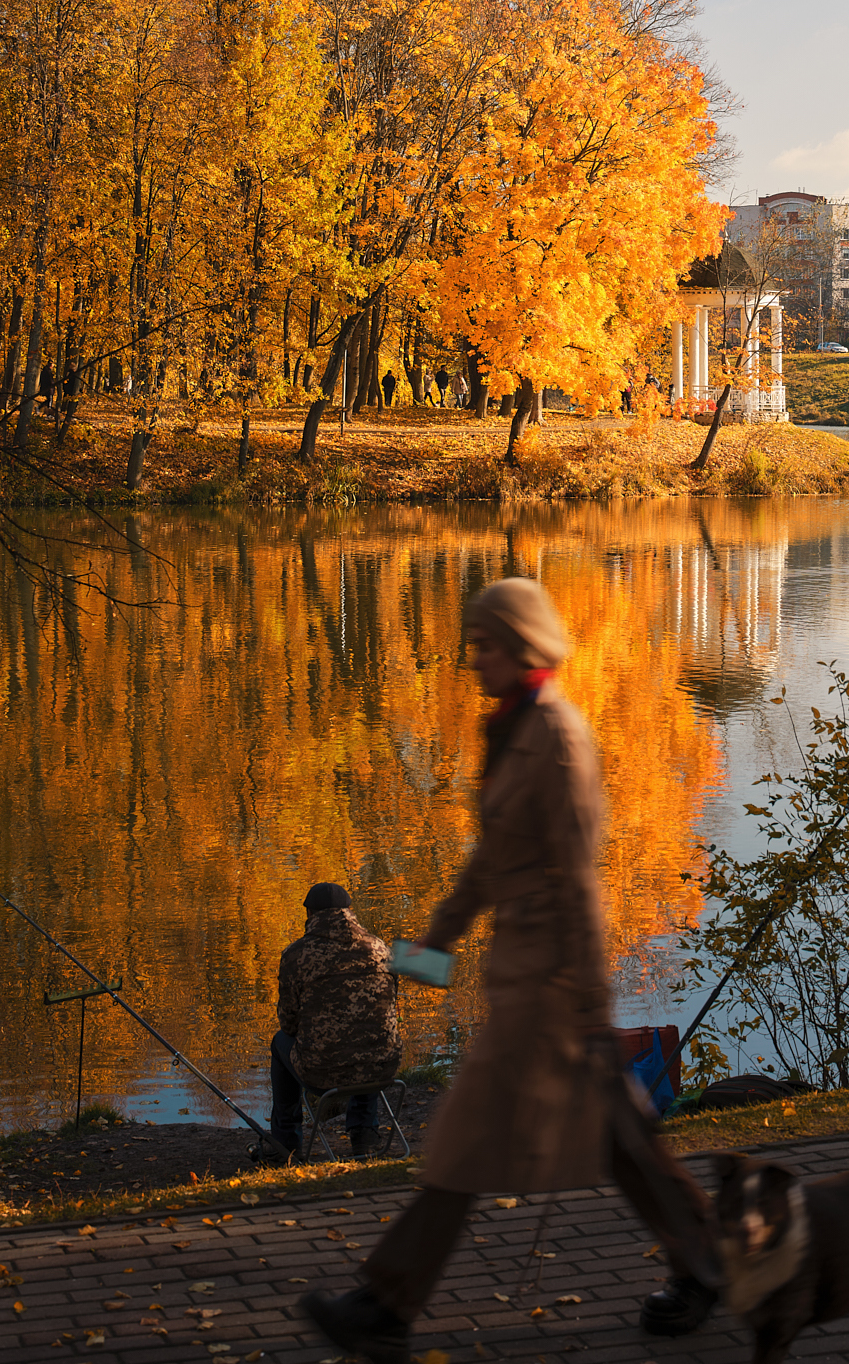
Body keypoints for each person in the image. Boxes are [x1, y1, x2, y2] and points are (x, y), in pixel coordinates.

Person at [299, 578, 722, 1364]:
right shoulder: (516, 728)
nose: (473, 658)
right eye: (472, 643)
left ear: (522, 643)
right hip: (525, 981)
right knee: (622, 1139)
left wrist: (589, 1010)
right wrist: (432, 947)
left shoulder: (557, 738)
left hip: (554, 991)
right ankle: (706, 1262)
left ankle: (386, 1304)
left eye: (485, 643)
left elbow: (573, 885)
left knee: (461, 1142)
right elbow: (494, 857)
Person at [271, 883, 400, 1161]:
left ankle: (285, 1144)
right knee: (369, 1035)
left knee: (279, 1042)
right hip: (384, 1069)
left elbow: (288, 1023)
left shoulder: (297, 955)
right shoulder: (381, 948)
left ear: (309, 913)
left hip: (321, 1075)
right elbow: (391, 1006)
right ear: (349, 911)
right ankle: (364, 1135)